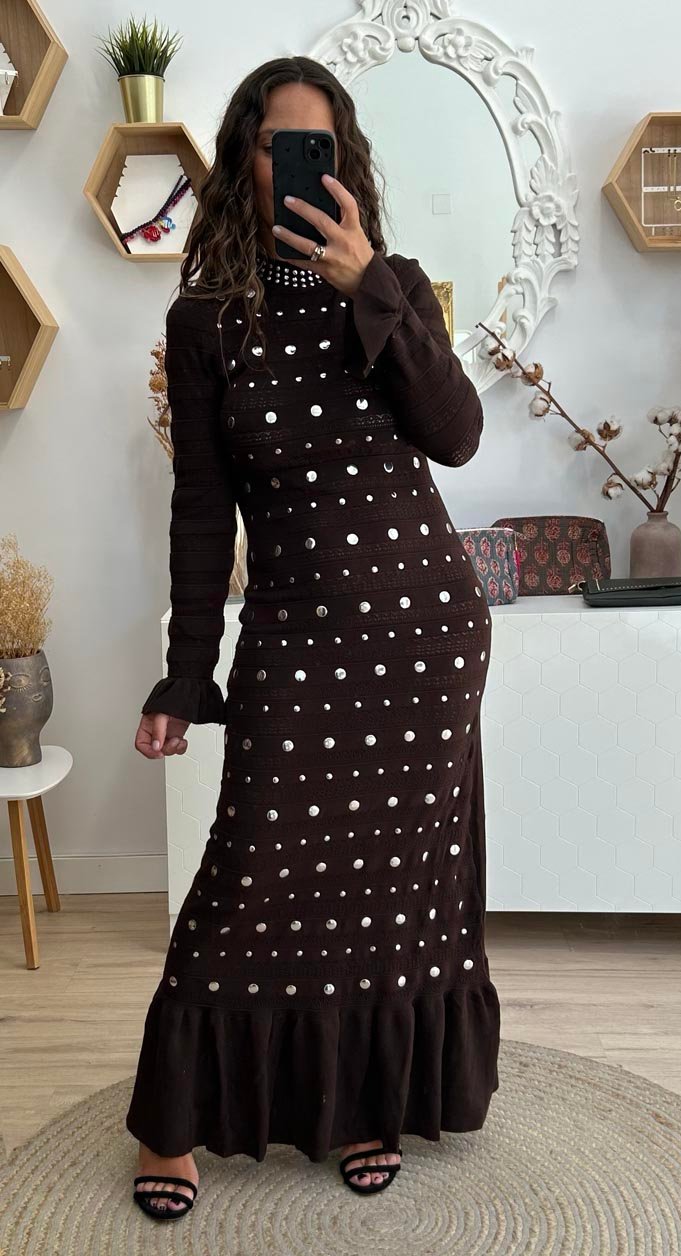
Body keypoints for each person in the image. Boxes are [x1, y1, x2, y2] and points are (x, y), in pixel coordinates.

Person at [127, 54, 501, 1221]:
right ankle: (170, 1120)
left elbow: (456, 435)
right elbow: (204, 511)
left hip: (425, 638)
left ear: (345, 163)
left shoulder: (395, 286)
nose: (298, 165)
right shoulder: (203, 322)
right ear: (245, 160)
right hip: (296, 637)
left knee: (396, 889)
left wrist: (368, 284)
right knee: (249, 874)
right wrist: (186, 676)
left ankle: (367, 1101)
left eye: (319, 147)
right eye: (278, 145)